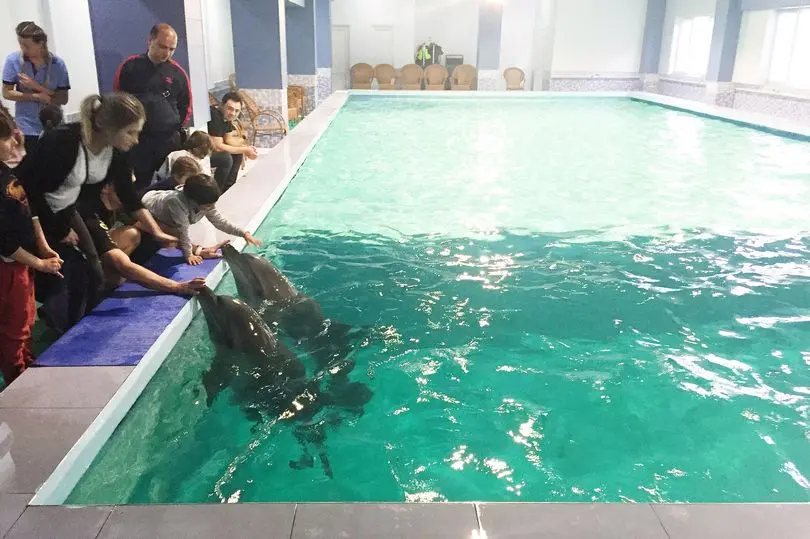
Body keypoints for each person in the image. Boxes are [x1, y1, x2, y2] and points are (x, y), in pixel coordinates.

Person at [16, 92, 204, 333]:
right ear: (108, 127)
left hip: (68, 212)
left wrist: (158, 233)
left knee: (92, 273)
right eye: (131, 132)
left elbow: (129, 197)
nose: (136, 140)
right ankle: (60, 329)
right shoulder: (63, 142)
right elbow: (27, 192)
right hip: (29, 216)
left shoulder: (116, 151)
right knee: (66, 274)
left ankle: (72, 324)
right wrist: (48, 237)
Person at [0, 103, 62, 383]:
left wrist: (42, 245)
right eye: (6, 138)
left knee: (25, 324)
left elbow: (27, 207)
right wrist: (40, 263)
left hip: (22, 262)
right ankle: (19, 386)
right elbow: (4, 242)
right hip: (9, 268)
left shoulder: (7, 172)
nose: (14, 141)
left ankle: (27, 370)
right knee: (14, 331)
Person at [114, 23, 191, 188]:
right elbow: (118, 102)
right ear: (150, 40)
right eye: (163, 47)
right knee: (139, 185)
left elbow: (186, 106)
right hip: (139, 141)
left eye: (172, 49)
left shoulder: (178, 73)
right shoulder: (130, 67)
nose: (167, 53)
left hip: (168, 140)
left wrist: (173, 126)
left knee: (171, 185)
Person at [142, 173, 261, 266]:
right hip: (145, 209)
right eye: (209, 205)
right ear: (193, 201)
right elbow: (183, 232)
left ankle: (199, 250)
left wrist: (243, 233)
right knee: (175, 235)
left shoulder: (204, 201)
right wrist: (188, 255)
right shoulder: (176, 203)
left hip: (166, 215)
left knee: (176, 234)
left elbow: (220, 221)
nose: (212, 207)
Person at [1, 21, 70, 154]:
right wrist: (36, 96)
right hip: (26, 125)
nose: (22, 49)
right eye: (20, 44)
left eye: (26, 45)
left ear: (41, 44)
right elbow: (7, 93)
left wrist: (35, 86)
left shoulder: (57, 64)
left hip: (53, 123)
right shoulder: (13, 60)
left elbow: (63, 99)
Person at [209, 92, 257, 192]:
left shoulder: (226, 118)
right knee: (225, 158)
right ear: (222, 105)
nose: (233, 113)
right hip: (201, 154)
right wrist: (244, 149)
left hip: (211, 150)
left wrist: (247, 148)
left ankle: (228, 190)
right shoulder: (215, 116)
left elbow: (228, 139)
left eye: (236, 111)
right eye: (230, 108)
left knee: (237, 154)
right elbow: (217, 146)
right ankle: (215, 193)